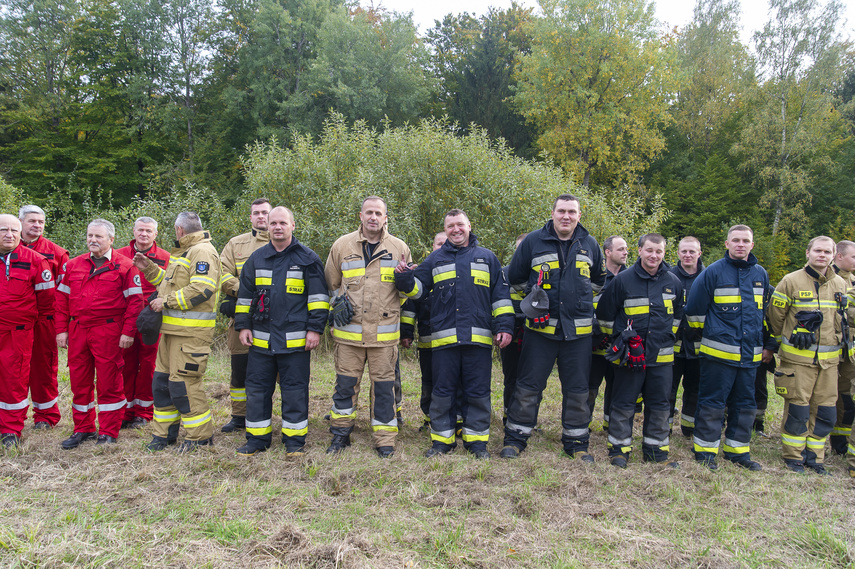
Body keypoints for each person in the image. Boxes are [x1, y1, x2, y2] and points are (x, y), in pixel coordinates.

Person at [396, 209, 513, 459]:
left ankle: (477, 443)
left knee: (478, 392)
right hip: (444, 342)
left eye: (460, 224)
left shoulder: (487, 258)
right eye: (450, 226)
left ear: (469, 226)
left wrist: (504, 327)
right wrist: (405, 279)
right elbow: (418, 292)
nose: (456, 230)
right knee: (442, 393)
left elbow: (500, 297)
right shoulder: (435, 259)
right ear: (445, 229)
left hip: (478, 341)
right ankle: (442, 442)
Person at [501, 194, 607, 460]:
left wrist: (577, 304)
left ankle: (577, 444)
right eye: (561, 211)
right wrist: (533, 301)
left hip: (578, 335)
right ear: (553, 213)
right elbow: (514, 279)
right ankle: (515, 439)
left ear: (579, 216)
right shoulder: (533, 242)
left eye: (572, 212)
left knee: (578, 391)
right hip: (540, 333)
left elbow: (597, 284)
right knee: (528, 386)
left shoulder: (590, 244)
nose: (566, 216)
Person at [233, 206, 328, 456]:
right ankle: (256, 440)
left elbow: (319, 299)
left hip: (296, 343)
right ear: (268, 227)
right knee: (256, 391)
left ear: (293, 226)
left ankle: (294, 442)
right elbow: (244, 297)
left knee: (295, 392)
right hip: (261, 343)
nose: (277, 227)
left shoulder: (308, 259)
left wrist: (315, 330)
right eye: (273, 223)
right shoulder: (256, 258)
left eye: (282, 223)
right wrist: (242, 326)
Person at [325, 196, 412, 458]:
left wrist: (406, 283)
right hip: (348, 336)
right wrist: (336, 305)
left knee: (384, 390)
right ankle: (340, 434)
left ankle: (385, 440)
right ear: (360, 216)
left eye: (378, 213)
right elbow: (331, 283)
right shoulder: (342, 245)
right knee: (345, 386)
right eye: (368, 212)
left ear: (386, 218)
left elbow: (406, 292)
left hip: (383, 338)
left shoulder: (399, 248)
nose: (373, 217)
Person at [134, 211, 220, 452]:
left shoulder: (202, 251)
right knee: (162, 384)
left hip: (190, 335)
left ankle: (200, 437)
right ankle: (163, 435)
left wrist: (168, 301)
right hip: (171, 332)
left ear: (180, 230)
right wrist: (149, 269)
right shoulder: (183, 252)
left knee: (184, 386)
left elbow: (203, 289)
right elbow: (170, 284)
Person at [685, 225, 769, 471]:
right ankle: (705, 451)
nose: (740, 244)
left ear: (752, 245)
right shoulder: (713, 272)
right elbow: (694, 311)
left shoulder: (760, 274)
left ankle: (737, 452)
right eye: (736, 240)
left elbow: (761, 312)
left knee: (745, 405)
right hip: (718, 356)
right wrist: (713, 335)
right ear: (727, 244)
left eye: (745, 241)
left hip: (749, 356)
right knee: (712, 403)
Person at [596, 234, 683, 468]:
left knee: (660, 406)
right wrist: (619, 342)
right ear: (640, 251)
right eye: (649, 250)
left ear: (665, 253)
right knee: (623, 404)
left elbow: (677, 318)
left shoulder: (674, 282)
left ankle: (656, 452)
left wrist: (668, 339)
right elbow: (605, 316)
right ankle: (619, 450)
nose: (654, 255)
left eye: (659, 251)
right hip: (630, 357)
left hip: (661, 359)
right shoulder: (622, 281)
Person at [55, 219, 143, 448]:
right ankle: (82, 428)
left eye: (98, 237)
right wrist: (61, 330)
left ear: (111, 240)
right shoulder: (74, 265)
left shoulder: (125, 265)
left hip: (108, 330)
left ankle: (108, 430)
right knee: (79, 380)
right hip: (78, 330)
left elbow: (135, 303)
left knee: (109, 380)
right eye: (90, 236)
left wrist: (128, 333)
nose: (92, 240)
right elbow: (61, 300)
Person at [767, 236, 848, 474]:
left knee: (825, 411)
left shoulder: (840, 285)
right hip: (798, 361)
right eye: (818, 251)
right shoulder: (791, 280)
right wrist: (791, 336)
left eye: (826, 252)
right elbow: (776, 316)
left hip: (829, 363)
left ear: (833, 255)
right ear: (808, 253)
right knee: (798, 410)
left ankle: (815, 458)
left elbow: (841, 321)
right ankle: (793, 456)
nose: (822, 255)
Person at [0, 214, 55, 447]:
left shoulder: (35, 261)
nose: (9, 235)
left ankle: (10, 430)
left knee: (14, 380)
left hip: (18, 332)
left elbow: (47, 303)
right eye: (4, 230)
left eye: (13, 230)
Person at [218, 198, 271, 433]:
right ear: (250, 217)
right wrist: (244, 292)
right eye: (256, 213)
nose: (261, 217)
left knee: (276, 372)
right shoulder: (235, 244)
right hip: (243, 318)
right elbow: (221, 275)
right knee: (240, 370)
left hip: (275, 321)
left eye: (265, 213)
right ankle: (239, 416)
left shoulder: (284, 242)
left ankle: (268, 414)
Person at [116, 217, 170, 429]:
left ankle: (144, 412)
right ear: (134, 231)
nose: (144, 234)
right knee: (125, 363)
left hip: (152, 319)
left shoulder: (166, 257)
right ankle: (126, 410)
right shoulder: (119, 255)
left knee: (148, 364)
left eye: (149, 231)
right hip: (126, 317)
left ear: (155, 234)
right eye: (141, 230)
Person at [18, 205, 68, 429]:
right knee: (12, 367)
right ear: (20, 222)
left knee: (44, 367)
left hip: (45, 321)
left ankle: (45, 416)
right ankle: (11, 415)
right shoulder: (7, 247)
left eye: (40, 222)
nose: (37, 225)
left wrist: (62, 325)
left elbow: (66, 291)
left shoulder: (56, 253)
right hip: (14, 320)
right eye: (32, 221)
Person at [400, 232, 448, 431]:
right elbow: (411, 305)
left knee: (453, 382)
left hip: (454, 344)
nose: (443, 246)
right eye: (439, 243)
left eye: (446, 243)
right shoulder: (424, 272)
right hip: (428, 343)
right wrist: (406, 332)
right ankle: (429, 419)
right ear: (433, 246)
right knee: (429, 382)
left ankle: (457, 420)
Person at [588, 235, 628, 431]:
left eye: (626, 249)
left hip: (620, 345)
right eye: (620, 249)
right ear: (608, 252)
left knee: (617, 387)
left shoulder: (631, 278)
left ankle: (610, 425)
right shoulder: (595, 277)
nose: (625, 252)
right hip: (595, 344)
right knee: (590, 387)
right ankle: (581, 424)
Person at [668, 236, 705, 437]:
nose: (688, 255)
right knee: (667, 390)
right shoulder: (667, 275)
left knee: (695, 389)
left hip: (699, 347)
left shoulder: (709, 276)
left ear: (699, 253)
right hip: (671, 347)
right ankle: (663, 428)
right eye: (684, 251)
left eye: (692, 251)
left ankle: (689, 429)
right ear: (678, 253)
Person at [830, 240, 855, 454]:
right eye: (853, 257)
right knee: (824, 395)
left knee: (846, 394)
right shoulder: (826, 279)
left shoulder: (853, 281)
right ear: (839, 256)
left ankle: (841, 442)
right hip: (827, 348)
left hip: (850, 351)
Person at [501, 233, 528, 425]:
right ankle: (508, 415)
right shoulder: (504, 273)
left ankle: (527, 419)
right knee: (511, 377)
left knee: (531, 380)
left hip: (534, 333)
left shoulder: (540, 275)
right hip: (510, 332)